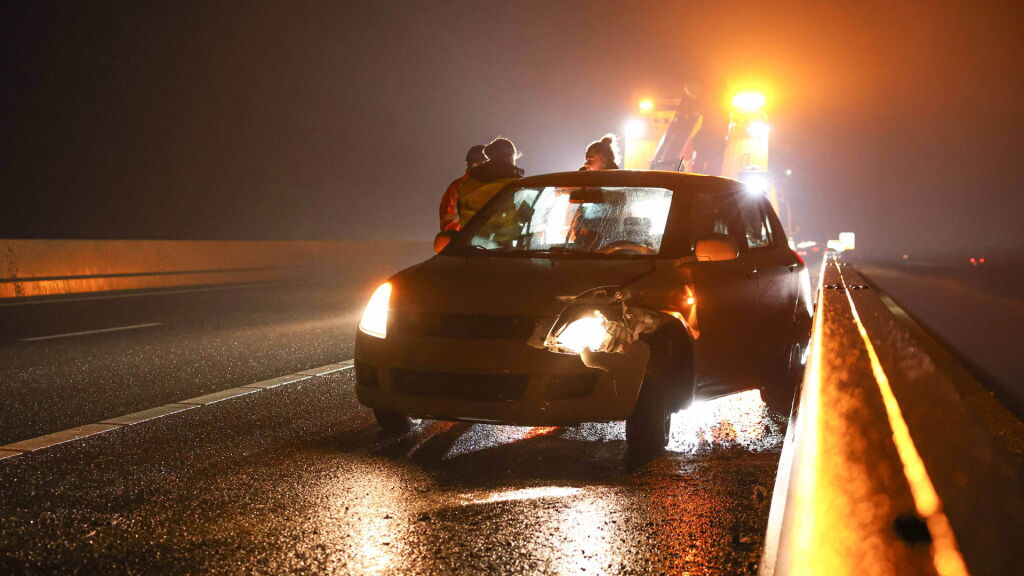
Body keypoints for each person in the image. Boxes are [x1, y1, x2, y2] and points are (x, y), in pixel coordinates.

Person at [456, 137, 524, 226]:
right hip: (499, 237)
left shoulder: (468, 183)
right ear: (510, 157)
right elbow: (519, 217)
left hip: (470, 236)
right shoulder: (513, 183)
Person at [439, 144, 487, 231]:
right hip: (464, 241)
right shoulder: (459, 188)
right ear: (475, 165)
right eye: (487, 165)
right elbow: (447, 221)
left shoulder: (455, 187)